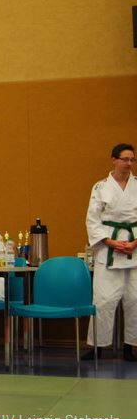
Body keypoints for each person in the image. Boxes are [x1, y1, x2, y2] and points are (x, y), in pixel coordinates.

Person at [82, 143, 137, 362]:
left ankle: (130, 347)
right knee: (104, 300)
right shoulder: (100, 187)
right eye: (125, 159)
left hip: (134, 249)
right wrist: (110, 242)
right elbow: (92, 219)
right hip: (108, 249)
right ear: (114, 160)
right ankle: (97, 346)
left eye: (132, 159)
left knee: (135, 299)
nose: (129, 163)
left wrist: (134, 243)